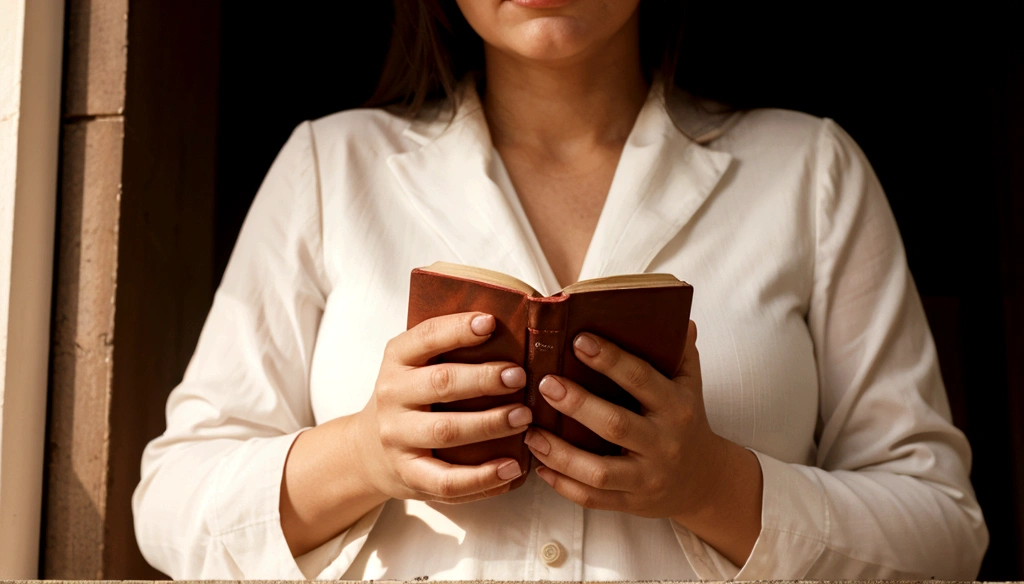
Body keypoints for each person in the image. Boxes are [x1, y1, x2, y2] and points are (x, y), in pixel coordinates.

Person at [132, 0, 989, 579]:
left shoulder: (808, 172)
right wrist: (363, 455)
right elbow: (171, 503)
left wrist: (712, 486)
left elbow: (943, 529)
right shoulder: (331, 166)